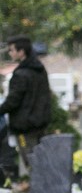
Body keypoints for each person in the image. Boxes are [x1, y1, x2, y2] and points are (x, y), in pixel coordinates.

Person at [0, 35, 52, 172]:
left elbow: (13, 101)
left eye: (11, 50)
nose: (10, 53)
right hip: (40, 124)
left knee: (31, 164)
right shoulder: (40, 70)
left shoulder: (21, 74)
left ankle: (37, 192)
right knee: (40, 162)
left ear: (21, 51)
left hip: (24, 127)